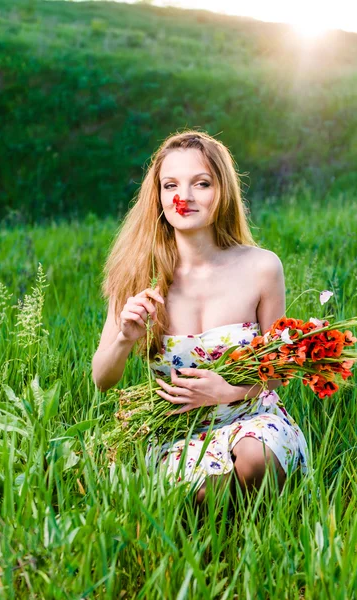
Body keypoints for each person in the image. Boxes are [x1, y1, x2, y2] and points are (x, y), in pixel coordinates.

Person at [92, 130, 308, 505]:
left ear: (221, 191)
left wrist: (228, 392)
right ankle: (213, 515)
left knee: (256, 460)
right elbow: (102, 379)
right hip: (178, 431)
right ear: (157, 197)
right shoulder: (136, 275)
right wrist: (125, 339)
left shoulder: (261, 267)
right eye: (170, 184)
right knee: (192, 494)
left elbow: (277, 372)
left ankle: (216, 509)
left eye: (201, 183)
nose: (184, 197)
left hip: (251, 418)